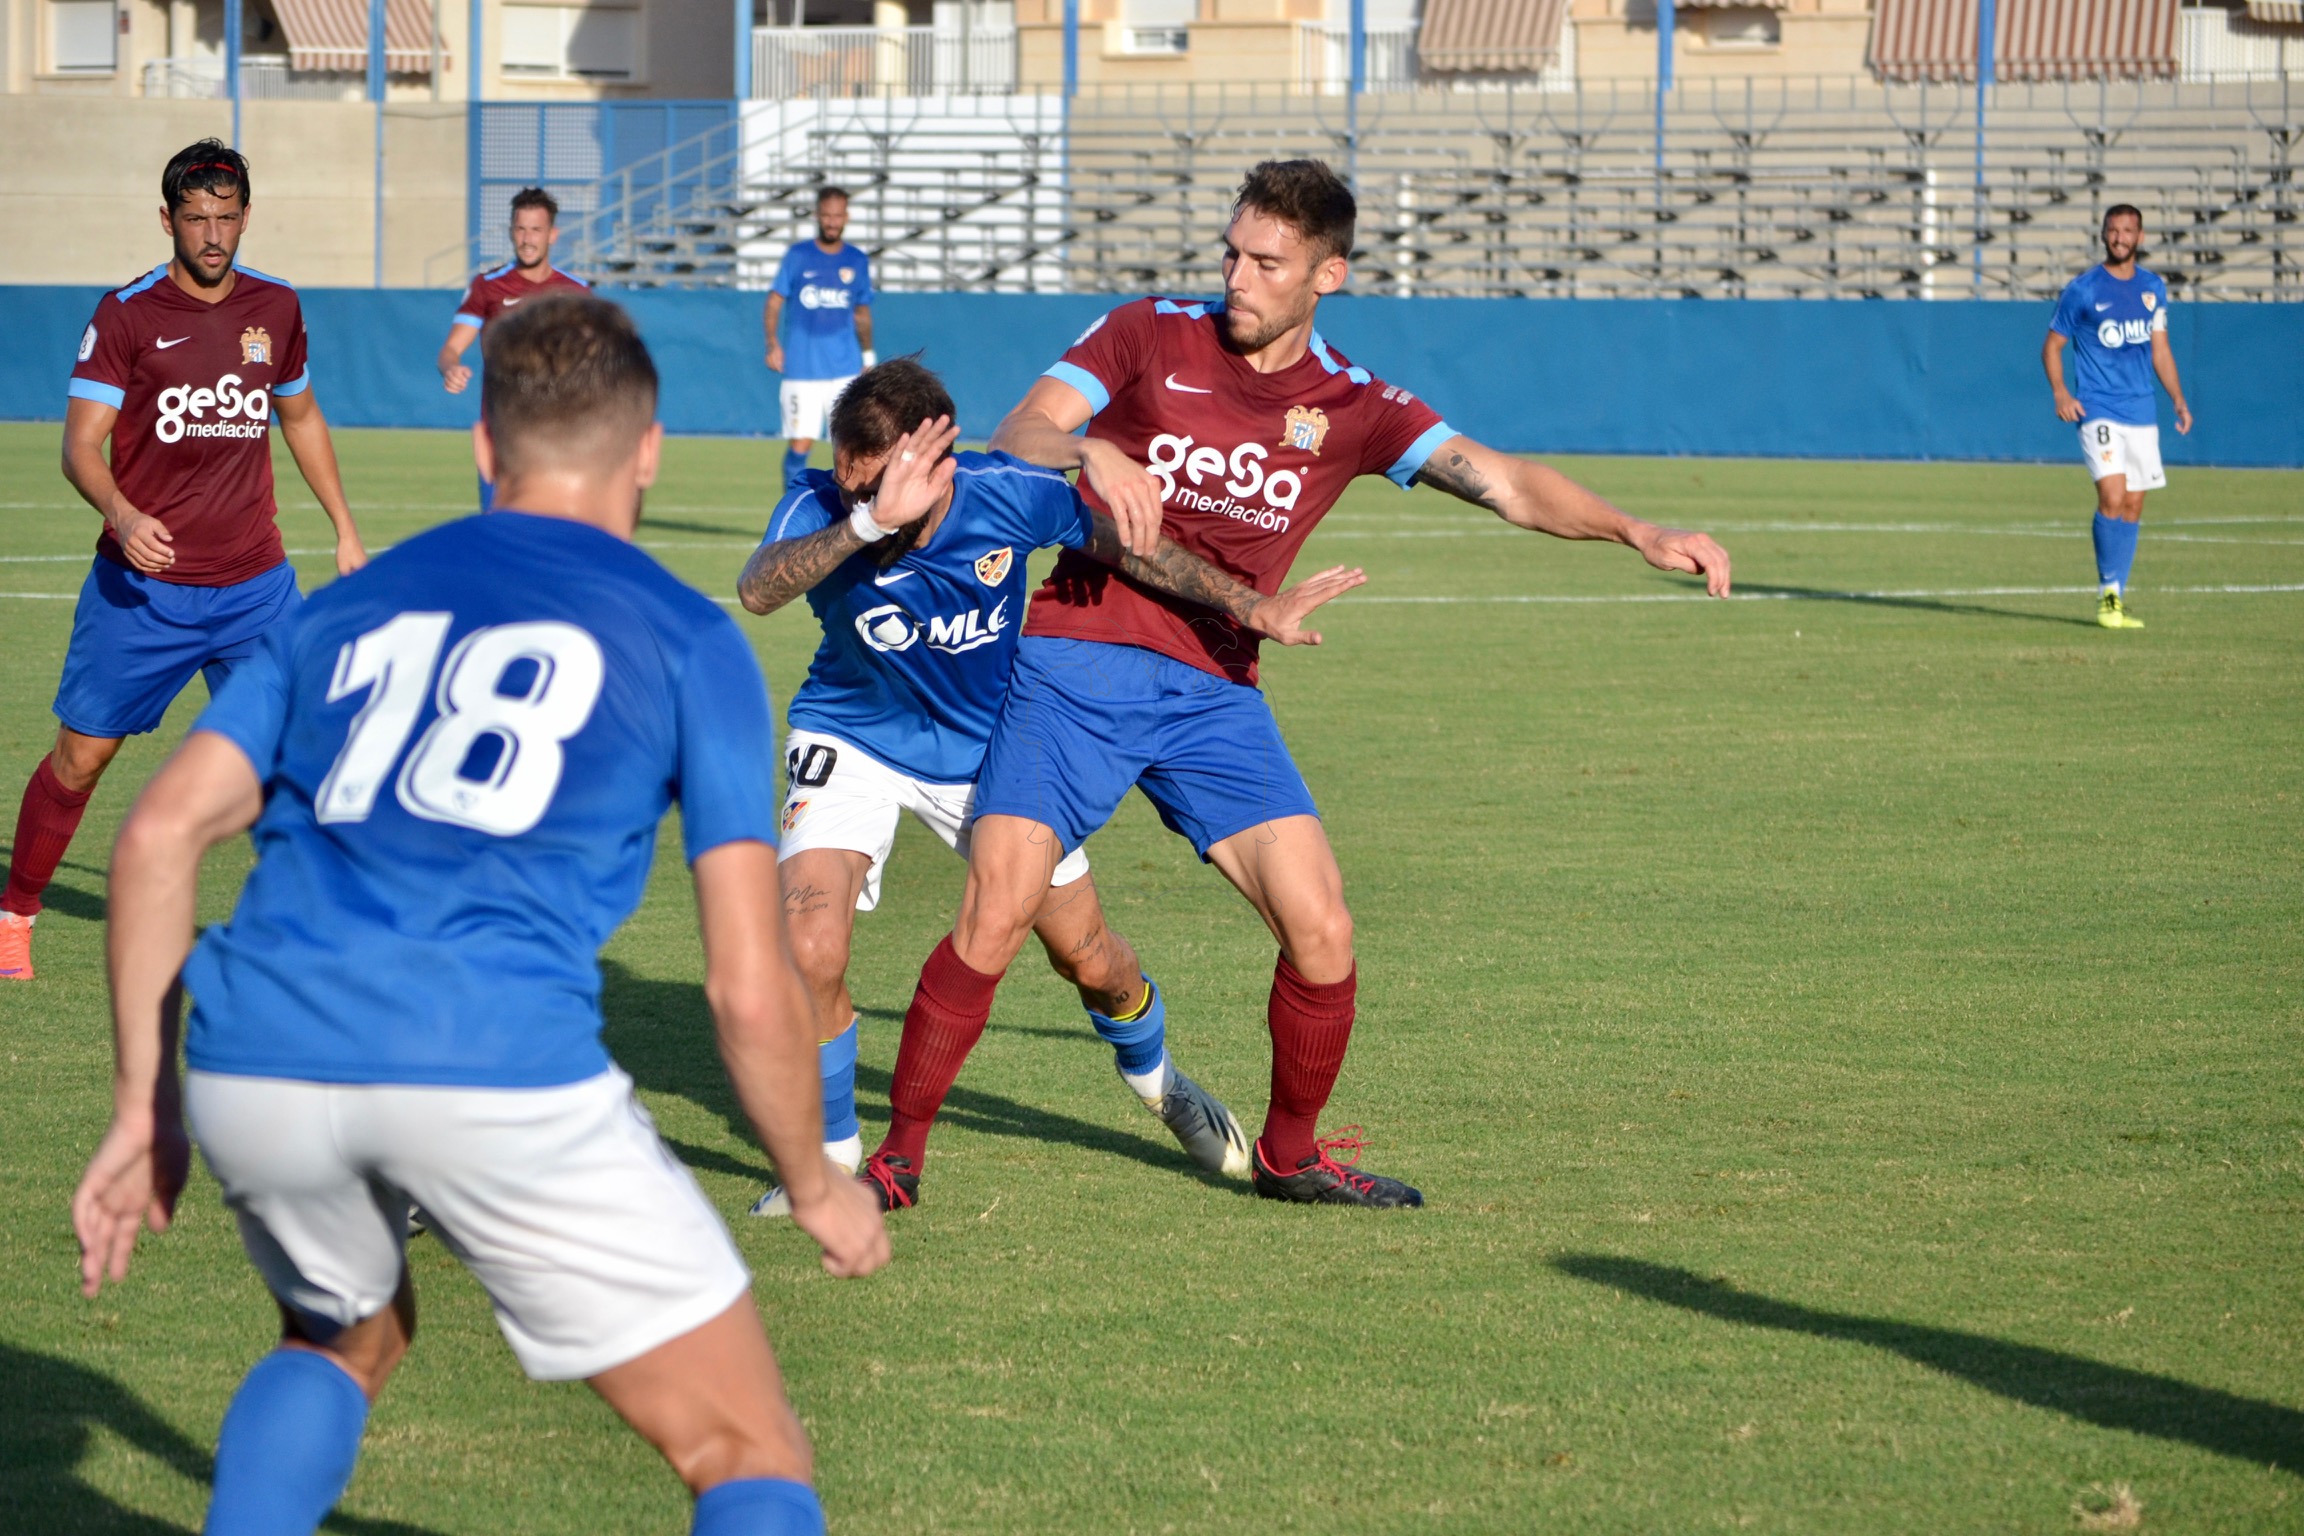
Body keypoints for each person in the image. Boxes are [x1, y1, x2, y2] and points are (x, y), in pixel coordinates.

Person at [70, 293, 889, 1536]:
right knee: (743, 1444)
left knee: (346, 1332)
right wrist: (814, 1181)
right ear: (650, 452)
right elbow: (744, 980)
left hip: (258, 1060)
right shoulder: (684, 637)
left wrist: (145, 1105)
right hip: (492, 1061)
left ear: (484, 450)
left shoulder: (340, 610)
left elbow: (156, 834)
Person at [860, 159, 1733, 1210]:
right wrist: (1091, 449)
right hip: (1075, 659)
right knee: (996, 912)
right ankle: (898, 1159)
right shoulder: (1148, 330)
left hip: (1216, 689)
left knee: (1322, 929)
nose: (1237, 276)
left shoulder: (1355, 404)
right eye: (1232, 251)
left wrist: (1638, 528)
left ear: (1327, 275)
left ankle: (1290, 1153)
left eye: (1266, 262)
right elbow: (1024, 430)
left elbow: (1502, 479)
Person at [735, 358, 1362, 1213]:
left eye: (879, 485)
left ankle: (1160, 1082)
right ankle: (834, 1154)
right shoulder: (822, 508)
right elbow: (757, 589)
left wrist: (1251, 611)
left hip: (991, 751)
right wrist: (862, 522)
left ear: (940, 465)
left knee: (1092, 962)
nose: (858, 498)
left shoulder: (1007, 494)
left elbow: (1132, 552)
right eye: (851, 479)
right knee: (808, 943)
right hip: (853, 739)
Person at [1, 139, 366, 984]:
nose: (212, 234)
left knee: (298, 758)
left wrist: (344, 527)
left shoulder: (277, 309)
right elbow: (79, 446)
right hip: (144, 592)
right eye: (195, 218)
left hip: (255, 588)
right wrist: (123, 514)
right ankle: (17, 909)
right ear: (167, 219)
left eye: (226, 218)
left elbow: (300, 418)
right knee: (81, 758)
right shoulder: (125, 314)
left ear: (245, 218)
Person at [2043, 203, 2194, 631]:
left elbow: (2160, 349)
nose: (2120, 237)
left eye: (2128, 231)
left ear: (2140, 237)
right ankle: (2107, 593)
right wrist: (2061, 392)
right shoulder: (2083, 289)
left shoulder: (2153, 288)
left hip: (2142, 410)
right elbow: (2051, 346)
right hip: (2099, 408)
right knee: (2111, 496)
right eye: (2113, 230)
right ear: (2104, 234)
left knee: (2133, 504)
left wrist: (2178, 400)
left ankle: (2117, 599)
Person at [438, 187, 591, 513]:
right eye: (520, 229)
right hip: (501, 439)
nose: (527, 238)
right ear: (511, 232)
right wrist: (451, 368)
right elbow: (451, 349)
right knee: (501, 541)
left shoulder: (577, 293)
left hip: (558, 441)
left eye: (536, 229)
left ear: (552, 235)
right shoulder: (488, 287)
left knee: (556, 545)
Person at [764, 187, 873, 491]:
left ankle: (852, 521)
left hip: (845, 369)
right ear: (817, 215)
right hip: (803, 368)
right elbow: (774, 301)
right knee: (800, 445)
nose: (832, 222)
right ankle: (793, 518)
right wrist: (772, 343)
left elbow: (862, 314)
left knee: (852, 448)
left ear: (846, 217)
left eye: (838, 215)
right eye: (826, 215)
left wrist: (868, 358)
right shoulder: (798, 256)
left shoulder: (857, 260)